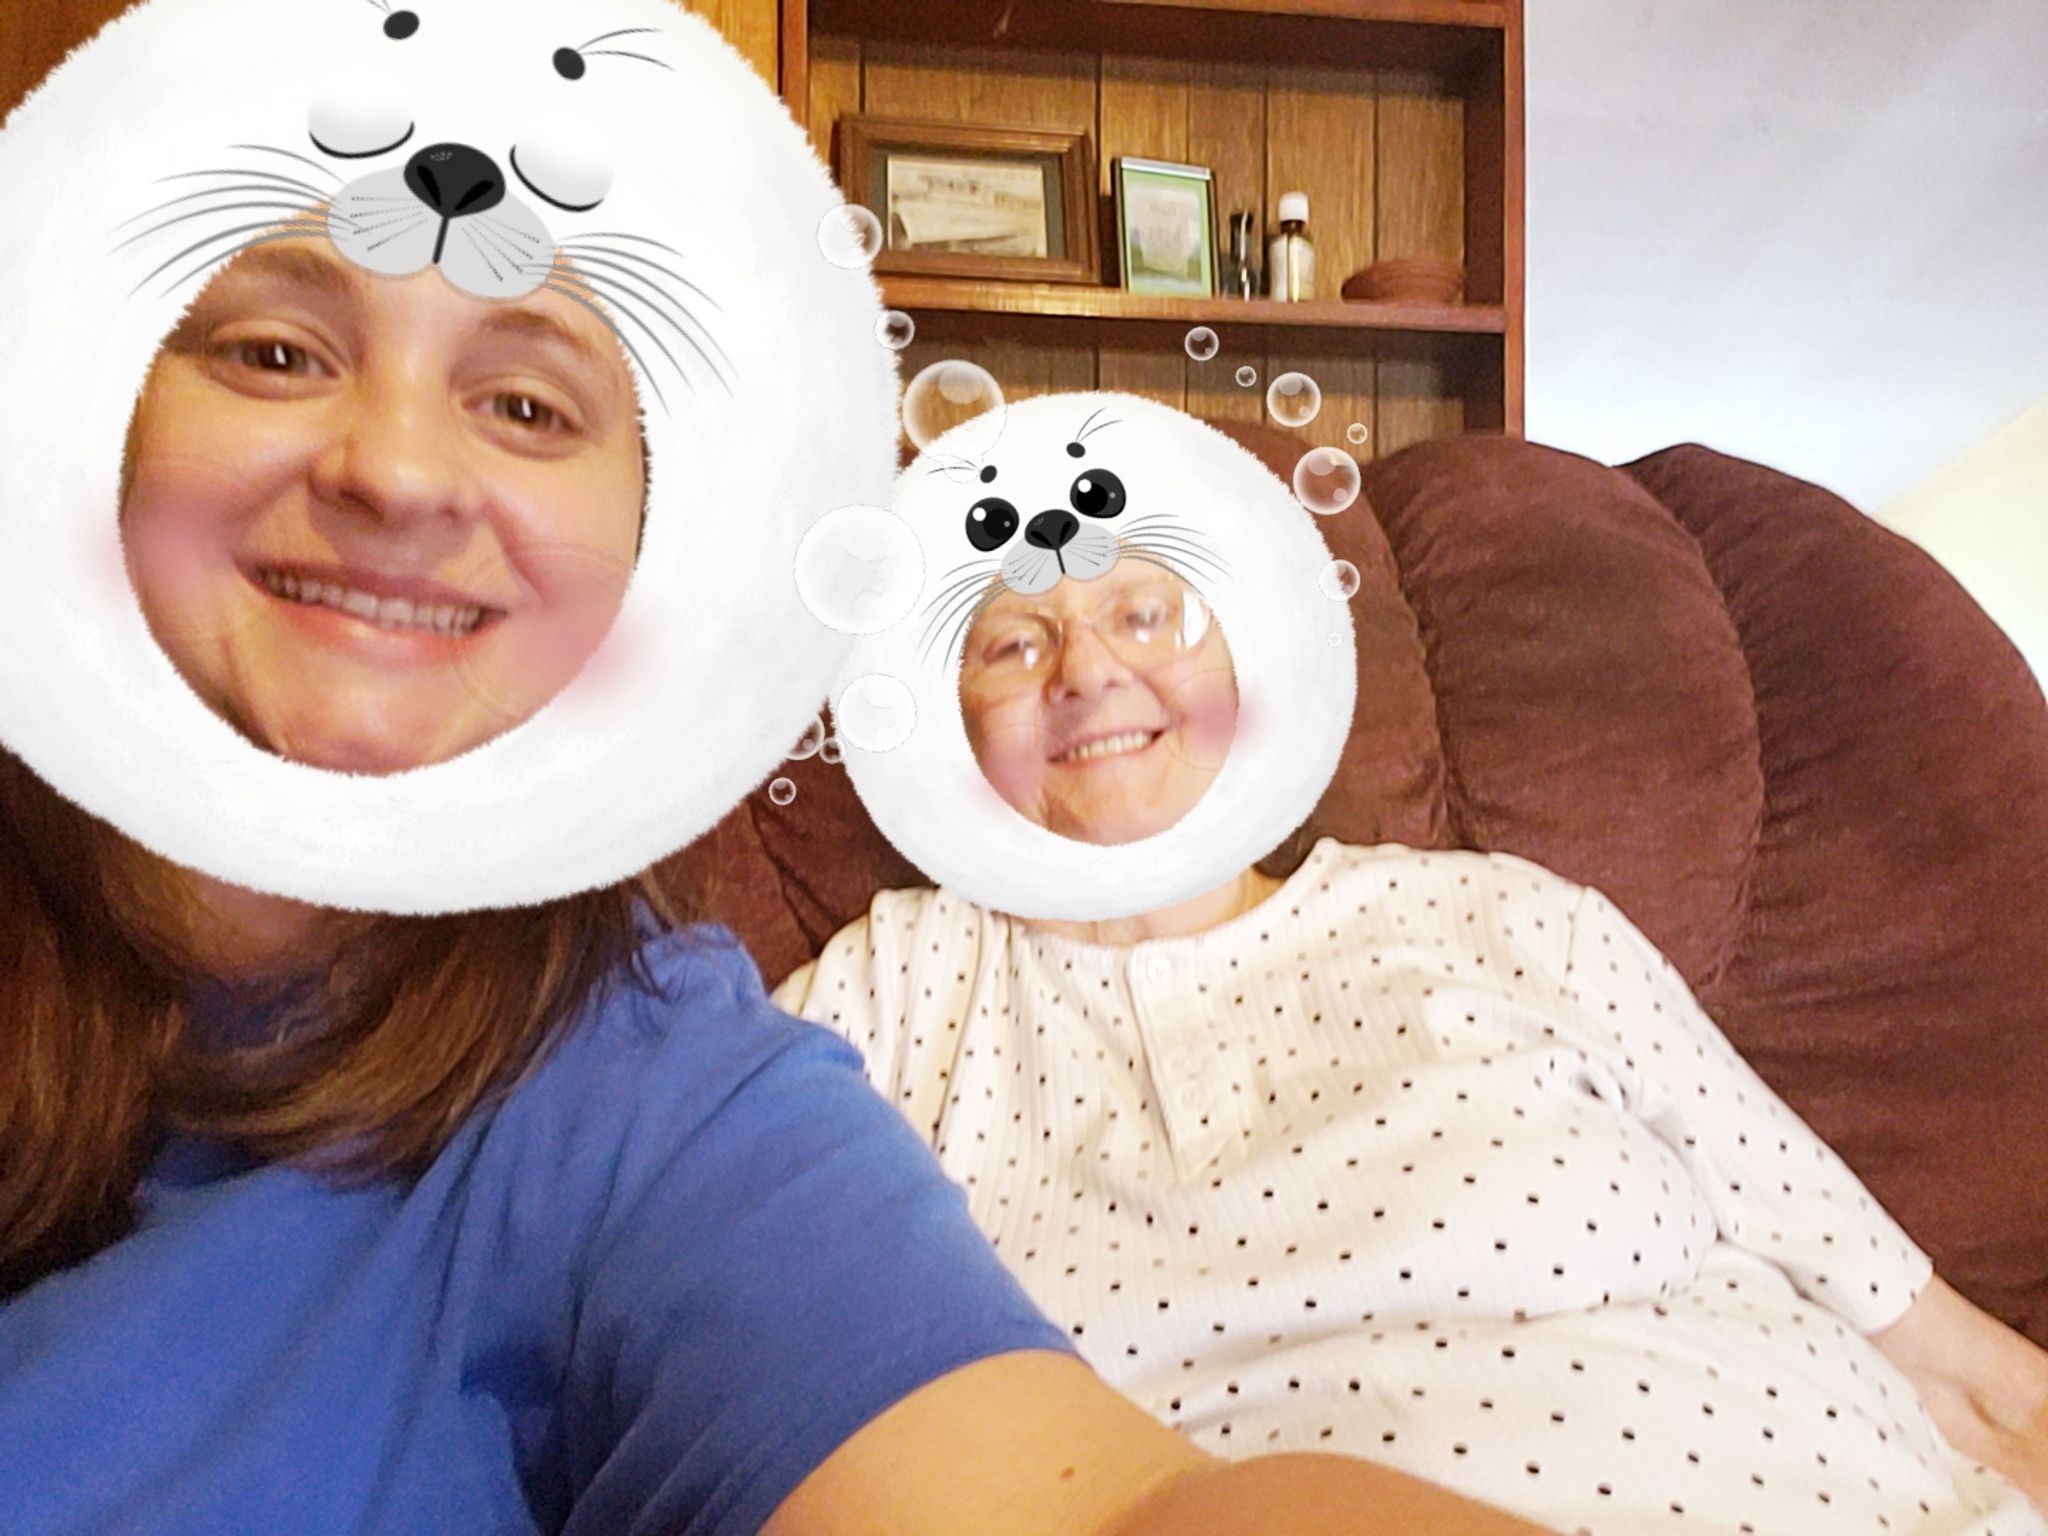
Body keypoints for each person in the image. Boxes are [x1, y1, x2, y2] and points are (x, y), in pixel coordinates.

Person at [0, 237, 1555, 1536]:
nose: (397, 470)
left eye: (528, 401)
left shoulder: (641, 1080)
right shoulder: (892, 974)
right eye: (275, 353)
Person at [775, 556, 2048, 1536]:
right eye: (1013, 641)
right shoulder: (893, 987)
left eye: (1145, 615)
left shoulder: (1504, 919)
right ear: (953, 723)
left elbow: (1968, 1377)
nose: (1088, 668)